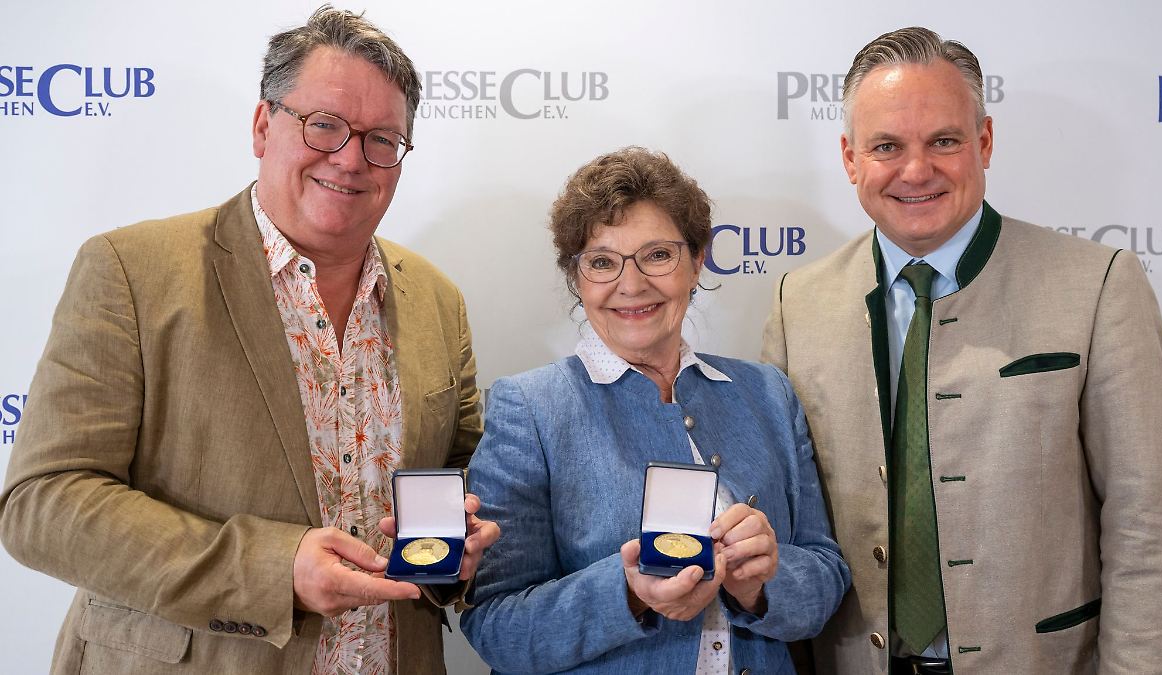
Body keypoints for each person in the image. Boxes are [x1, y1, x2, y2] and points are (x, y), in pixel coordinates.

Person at [0, 7, 498, 674]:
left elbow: (458, 473)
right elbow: (43, 503)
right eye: (324, 124)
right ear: (264, 126)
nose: (351, 159)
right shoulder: (131, 271)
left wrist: (461, 543)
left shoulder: (438, 299)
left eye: (382, 139)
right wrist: (273, 569)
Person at [763, 26, 1162, 675]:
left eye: (944, 140)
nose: (916, 170)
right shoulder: (798, 303)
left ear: (984, 142)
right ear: (850, 158)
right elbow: (788, 532)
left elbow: (1146, 526)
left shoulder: (1098, 286)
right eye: (886, 146)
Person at [459, 147, 850, 673]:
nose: (632, 284)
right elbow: (497, 626)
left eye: (658, 255)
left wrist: (760, 585)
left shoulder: (767, 393)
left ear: (698, 261)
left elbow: (826, 577)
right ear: (576, 278)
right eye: (602, 262)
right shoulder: (530, 410)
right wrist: (627, 593)